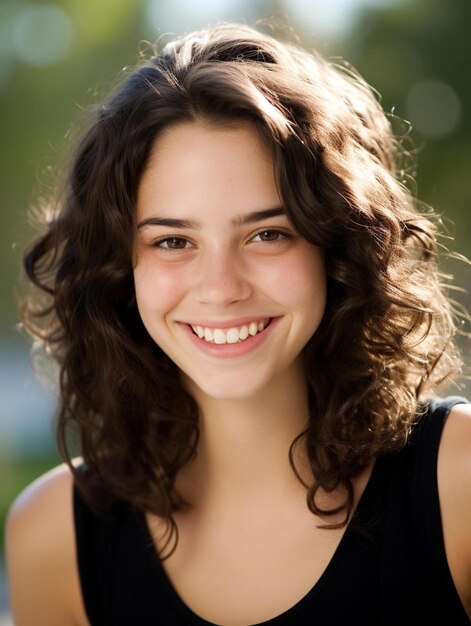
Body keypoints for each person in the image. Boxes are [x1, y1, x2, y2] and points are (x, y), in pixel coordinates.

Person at [5, 21, 471, 626]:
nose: (222, 288)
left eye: (267, 234)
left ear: (336, 248)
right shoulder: (54, 537)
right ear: (120, 271)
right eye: (173, 241)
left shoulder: (459, 482)